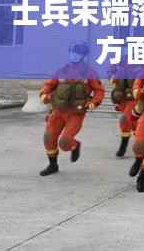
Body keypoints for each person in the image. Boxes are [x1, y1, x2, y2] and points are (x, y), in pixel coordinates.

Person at [39, 41, 104, 176]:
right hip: (58, 110)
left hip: (75, 113)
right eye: (72, 52)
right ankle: (53, 165)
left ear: (83, 55)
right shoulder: (62, 70)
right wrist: (44, 94)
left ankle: (75, 145)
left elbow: (99, 90)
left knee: (65, 142)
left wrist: (94, 102)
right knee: (48, 137)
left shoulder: (89, 73)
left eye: (78, 53)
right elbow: (49, 84)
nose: (74, 55)